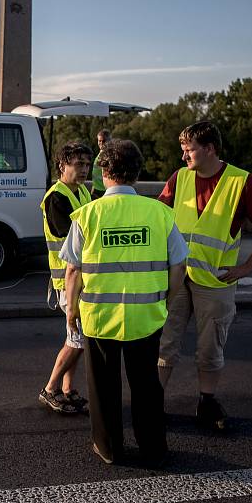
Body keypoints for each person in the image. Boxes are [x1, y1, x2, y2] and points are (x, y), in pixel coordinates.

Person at [61, 139, 188, 466]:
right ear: (136, 173)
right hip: (147, 316)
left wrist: (71, 311)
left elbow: (73, 268)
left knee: (103, 388)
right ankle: (153, 448)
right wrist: (166, 300)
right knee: (147, 386)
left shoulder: (88, 214)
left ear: (105, 172)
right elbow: (179, 264)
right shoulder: (159, 212)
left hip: (100, 317)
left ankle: (109, 448)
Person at [157, 121, 252, 432]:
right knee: (164, 341)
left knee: (210, 344)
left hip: (215, 280)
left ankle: (207, 401)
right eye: (183, 150)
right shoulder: (179, 178)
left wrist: (248, 267)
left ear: (210, 148)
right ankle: (153, 401)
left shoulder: (242, 182)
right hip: (177, 277)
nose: (184, 156)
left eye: (190, 150)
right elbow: (159, 218)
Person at [38, 141, 94, 414]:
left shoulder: (82, 191)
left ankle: (69, 390)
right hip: (67, 282)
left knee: (77, 340)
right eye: (78, 164)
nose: (84, 169)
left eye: (86, 163)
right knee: (77, 340)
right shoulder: (56, 198)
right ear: (62, 165)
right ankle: (50, 389)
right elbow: (71, 241)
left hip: (82, 280)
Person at [90, 130, 111, 199]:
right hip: (96, 188)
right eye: (99, 141)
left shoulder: (109, 155)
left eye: (104, 141)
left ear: (109, 141)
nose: (101, 143)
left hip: (104, 191)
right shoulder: (101, 153)